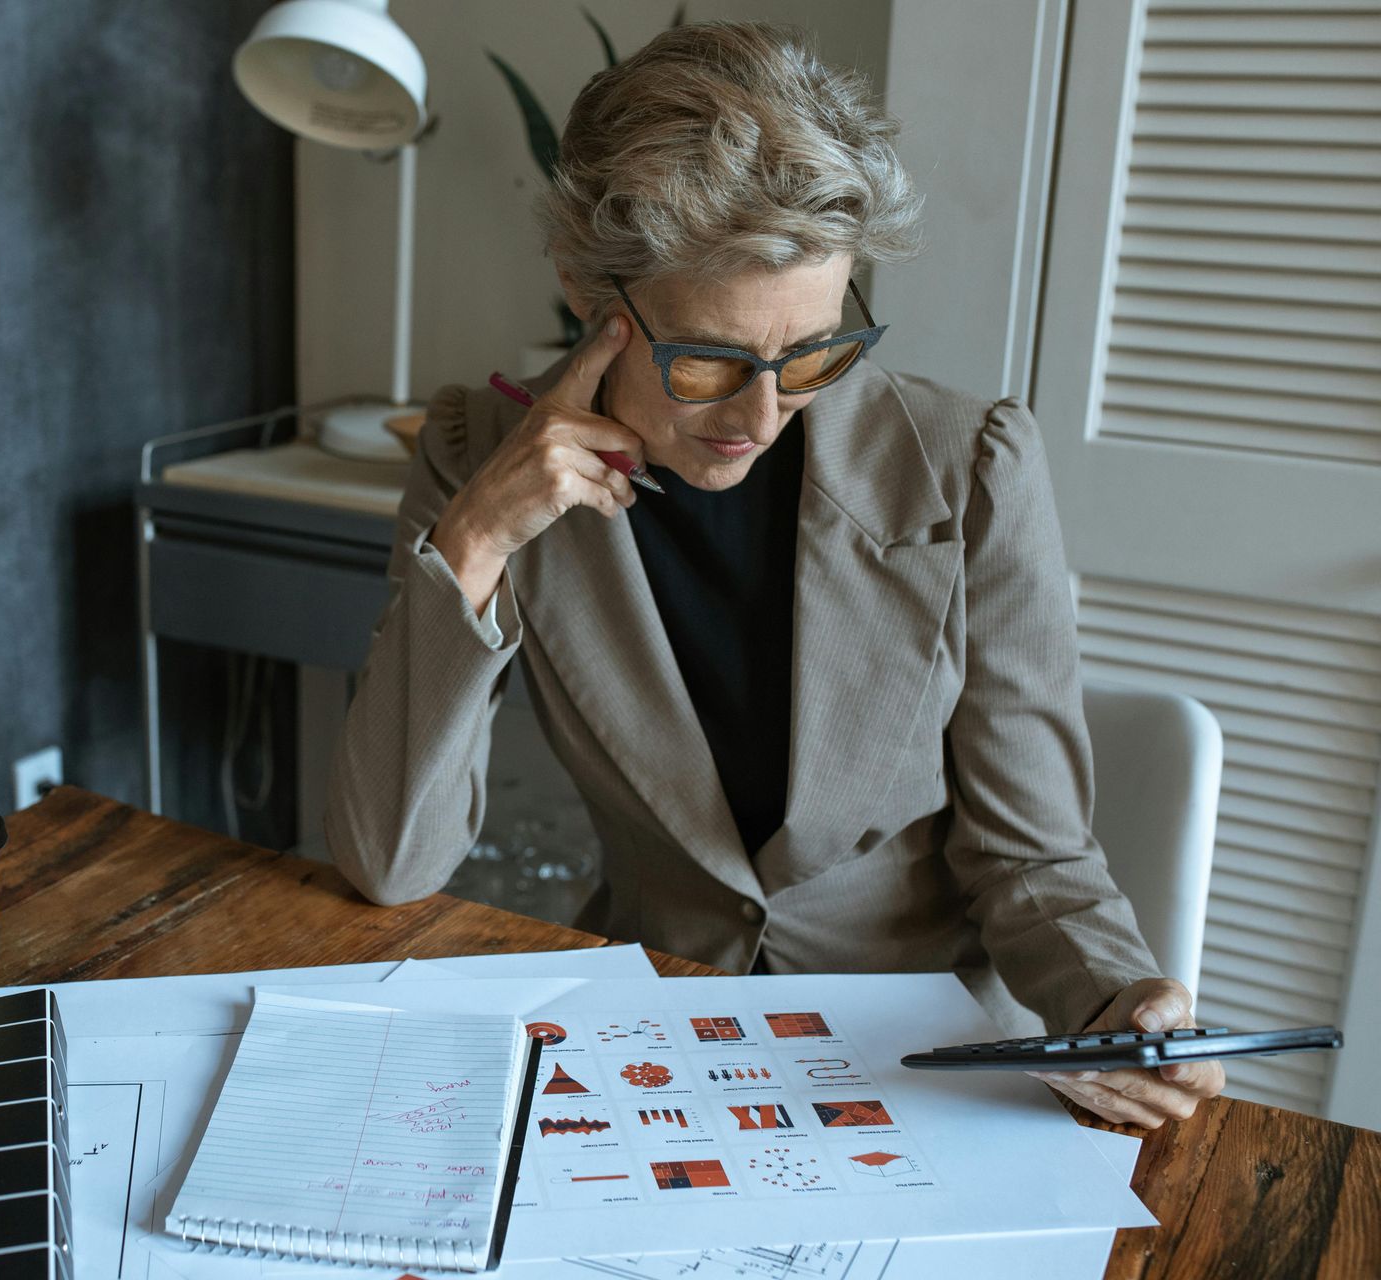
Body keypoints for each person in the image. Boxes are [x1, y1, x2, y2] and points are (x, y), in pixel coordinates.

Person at [324, 21, 1222, 1128]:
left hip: (913, 1064)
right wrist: (477, 542)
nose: (760, 416)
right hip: (645, 1043)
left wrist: (1116, 1001)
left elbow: (1032, 854)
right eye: (707, 359)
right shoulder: (475, 457)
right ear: (582, 285)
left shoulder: (970, 466)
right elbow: (391, 863)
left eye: (811, 352)